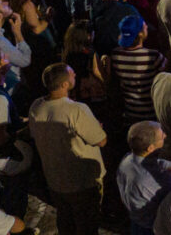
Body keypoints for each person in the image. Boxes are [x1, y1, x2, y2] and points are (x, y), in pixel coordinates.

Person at [28, 63, 107, 235]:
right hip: (82, 181)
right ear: (64, 84)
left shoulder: (36, 106)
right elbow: (101, 140)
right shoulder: (76, 109)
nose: (75, 75)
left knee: (65, 221)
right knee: (86, 225)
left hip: (54, 179)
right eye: (72, 74)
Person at [116, 121, 171, 235]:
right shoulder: (150, 179)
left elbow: (155, 162)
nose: (165, 136)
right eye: (161, 137)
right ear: (150, 148)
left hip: (136, 222)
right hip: (151, 227)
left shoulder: (127, 160)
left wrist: (167, 165)